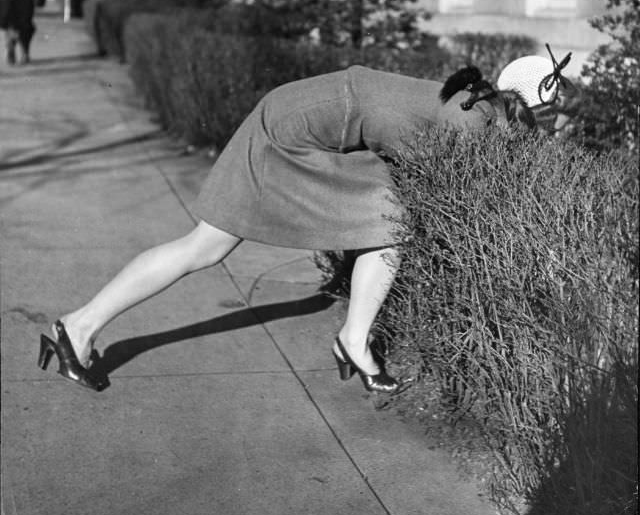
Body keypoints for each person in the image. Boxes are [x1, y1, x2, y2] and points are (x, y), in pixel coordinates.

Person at [38, 54, 570, 394]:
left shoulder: (476, 104)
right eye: (541, 121)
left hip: (300, 118)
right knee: (206, 247)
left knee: (388, 224)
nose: (540, 131)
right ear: (521, 107)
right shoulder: (473, 123)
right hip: (290, 135)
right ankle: (78, 327)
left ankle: (354, 341)